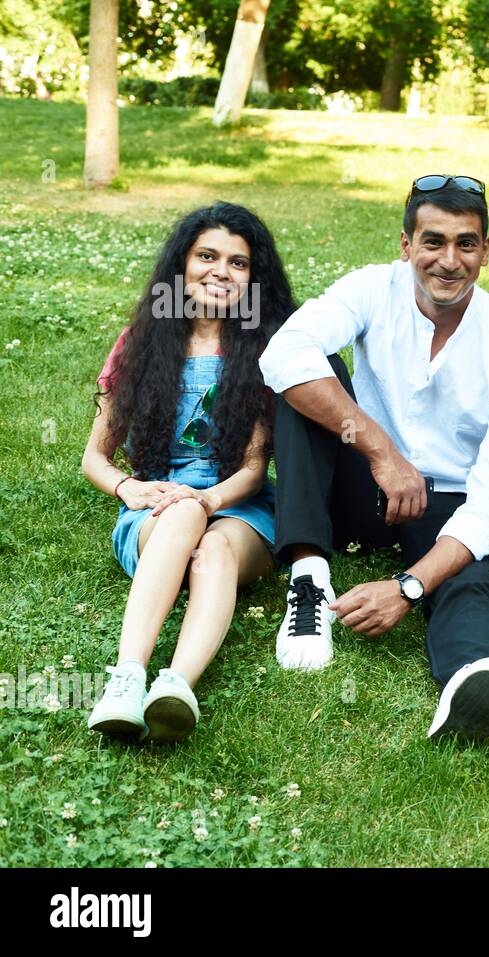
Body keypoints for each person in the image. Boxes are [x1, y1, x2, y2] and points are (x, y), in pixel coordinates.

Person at [259, 174, 489, 743]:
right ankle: (309, 582)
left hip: (448, 504)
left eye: (466, 243)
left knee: (469, 568)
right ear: (406, 246)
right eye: (433, 241)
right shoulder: (372, 288)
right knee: (310, 381)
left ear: (486, 252)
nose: (449, 260)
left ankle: (471, 678)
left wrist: (408, 587)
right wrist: (380, 448)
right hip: (360, 483)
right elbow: (282, 354)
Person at [82, 202, 292, 742]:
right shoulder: (140, 344)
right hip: (155, 511)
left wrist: (206, 501)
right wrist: (129, 489)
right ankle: (127, 679)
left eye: (238, 263)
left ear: (254, 279)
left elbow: (252, 469)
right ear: (182, 266)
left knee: (212, 545)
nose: (221, 271)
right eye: (207, 256)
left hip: (236, 509)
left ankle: (175, 685)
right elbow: (95, 459)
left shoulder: (264, 352)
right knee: (178, 519)